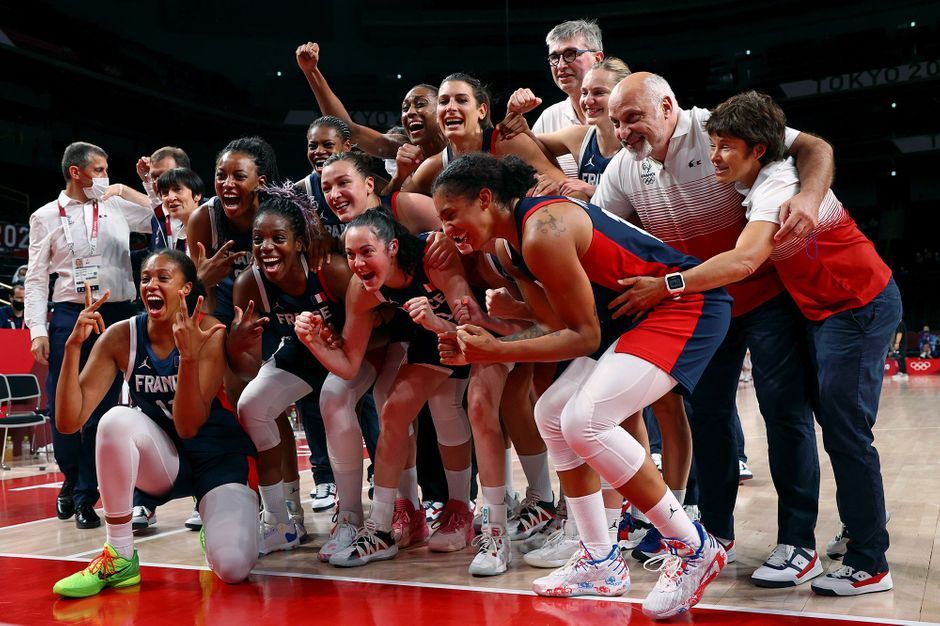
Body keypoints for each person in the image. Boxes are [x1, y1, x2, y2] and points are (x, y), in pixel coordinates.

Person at [617, 90, 901, 594]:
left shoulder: (777, 185)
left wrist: (667, 286)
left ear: (759, 150)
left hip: (856, 306)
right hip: (821, 312)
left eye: (726, 147)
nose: (714, 158)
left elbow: (746, 260)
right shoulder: (751, 185)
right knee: (827, 424)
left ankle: (869, 559)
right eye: (714, 146)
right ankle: (858, 529)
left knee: (844, 430)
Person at [433, 153, 732, 619]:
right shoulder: (509, 249)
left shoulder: (543, 230)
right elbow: (560, 325)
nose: (445, 227)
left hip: (683, 305)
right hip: (632, 317)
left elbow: (585, 337)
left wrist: (494, 349)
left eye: (450, 214)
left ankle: (693, 548)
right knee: (551, 414)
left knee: (585, 419)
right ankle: (599, 559)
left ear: (486, 199)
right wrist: (505, 324)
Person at [595, 72, 835, 583]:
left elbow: (812, 145)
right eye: (615, 122)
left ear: (667, 106)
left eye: (633, 117)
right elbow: (597, 234)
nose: (623, 131)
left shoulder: (717, 127)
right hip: (704, 306)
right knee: (707, 416)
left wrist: (811, 196)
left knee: (782, 412)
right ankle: (717, 531)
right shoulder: (622, 168)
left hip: (767, 296)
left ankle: (797, 542)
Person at [51, 250, 258, 597]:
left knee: (234, 568)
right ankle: (119, 555)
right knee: (115, 420)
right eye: (146, 278)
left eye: (163, 277)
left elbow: (190, 425)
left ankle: (216, 518)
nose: (151, 285)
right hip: (165, 459)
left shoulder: (209, 330)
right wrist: (73, 349)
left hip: (217, 457)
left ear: (186, 288)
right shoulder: (121, 336)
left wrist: (188, 358)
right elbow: (69, 422)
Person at [295, 209, 481, 567]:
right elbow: (349, 364)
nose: (357, 262)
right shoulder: (362, 289)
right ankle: (395, 519)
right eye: (350, 254)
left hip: (470, 331)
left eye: (366, 251)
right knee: (392, 408)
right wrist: (314, 342)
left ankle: (463, 511)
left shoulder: (434, 259)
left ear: (393, 247)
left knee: (449, 408)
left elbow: (473, 331)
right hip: (430, 335)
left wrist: (436, 322)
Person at [25, 142, 153, 530]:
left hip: (118, 313)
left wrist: (138, 184)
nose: (105, 176)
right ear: (76, 173)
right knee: (63, 408)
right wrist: (36, 329)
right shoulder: (45, 216)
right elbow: (34, 278)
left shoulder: (116, 206)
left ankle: (85, 495)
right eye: (99, 170)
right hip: (70, 313)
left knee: (104, 409)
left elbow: (157, 215)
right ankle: (70, 480)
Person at [228, 191, 352, 555]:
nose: (266, 247)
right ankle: (281, 521)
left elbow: (375, 327)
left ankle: (354, 518)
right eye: (258, 239)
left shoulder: (330, 270)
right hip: (303, 354)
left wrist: (336, 344)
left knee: (336, 402)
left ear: (300, 242)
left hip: (354, 352)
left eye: (278, 239)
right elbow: (245, 365)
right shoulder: (249, 285)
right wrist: (237, 345)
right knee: (253, 406)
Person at [295, 42, 447, 184]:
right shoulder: (401, 147)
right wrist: (311, 71)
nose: (411, 112)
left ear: (441, 108)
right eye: (405, 108)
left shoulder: (461, 145)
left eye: (420, 104)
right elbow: (348, 129)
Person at [396, 74, 568, 196]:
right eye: (444, 101)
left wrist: (555, 192)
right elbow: (396, 208)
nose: (450, 107)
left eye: (462, 100)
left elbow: (573, 191)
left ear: (481, 110)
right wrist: (400, 175)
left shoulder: (508, 142)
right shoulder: (433, 166)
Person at [527, 19, 605, 178]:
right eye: (554, 57)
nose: (561, 66)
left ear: (598, 58)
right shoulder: (549, 117)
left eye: (570, 54)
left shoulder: (624, 111)